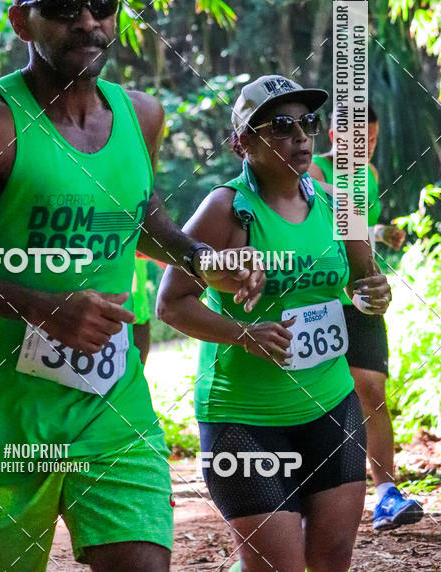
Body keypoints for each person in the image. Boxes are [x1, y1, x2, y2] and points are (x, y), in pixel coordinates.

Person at [0, 0, 263, 572]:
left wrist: (201, 257)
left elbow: (138, 216)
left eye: (102, 3)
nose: (88, 20)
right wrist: (41, 308)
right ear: (20, 20)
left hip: (111, 402)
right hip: (1, 411)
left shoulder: (142, 114)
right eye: (64, 7)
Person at [157, 75, 392, 572]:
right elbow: (172, 304)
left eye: (308, 123)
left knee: (331, 560)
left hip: (331, 406)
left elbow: (365, 284)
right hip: (244, 420)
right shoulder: (226, 209)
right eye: (282, 126)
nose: (301, 137)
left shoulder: (338, 205)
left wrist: (375, 293)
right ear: (243, 141)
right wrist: (244, 335)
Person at [310, 104, 422, 531]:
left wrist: (377, 234)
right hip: (321, 300)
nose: (367, 146)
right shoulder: (316, 174)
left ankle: (386, 494)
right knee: (321, 398)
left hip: (364, 296)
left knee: (372, 390)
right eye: (360, 138)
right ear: (336, 136)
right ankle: (315, 494)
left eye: (372, 139)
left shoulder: (370, 178)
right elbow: (322, 224)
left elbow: (354, 228)